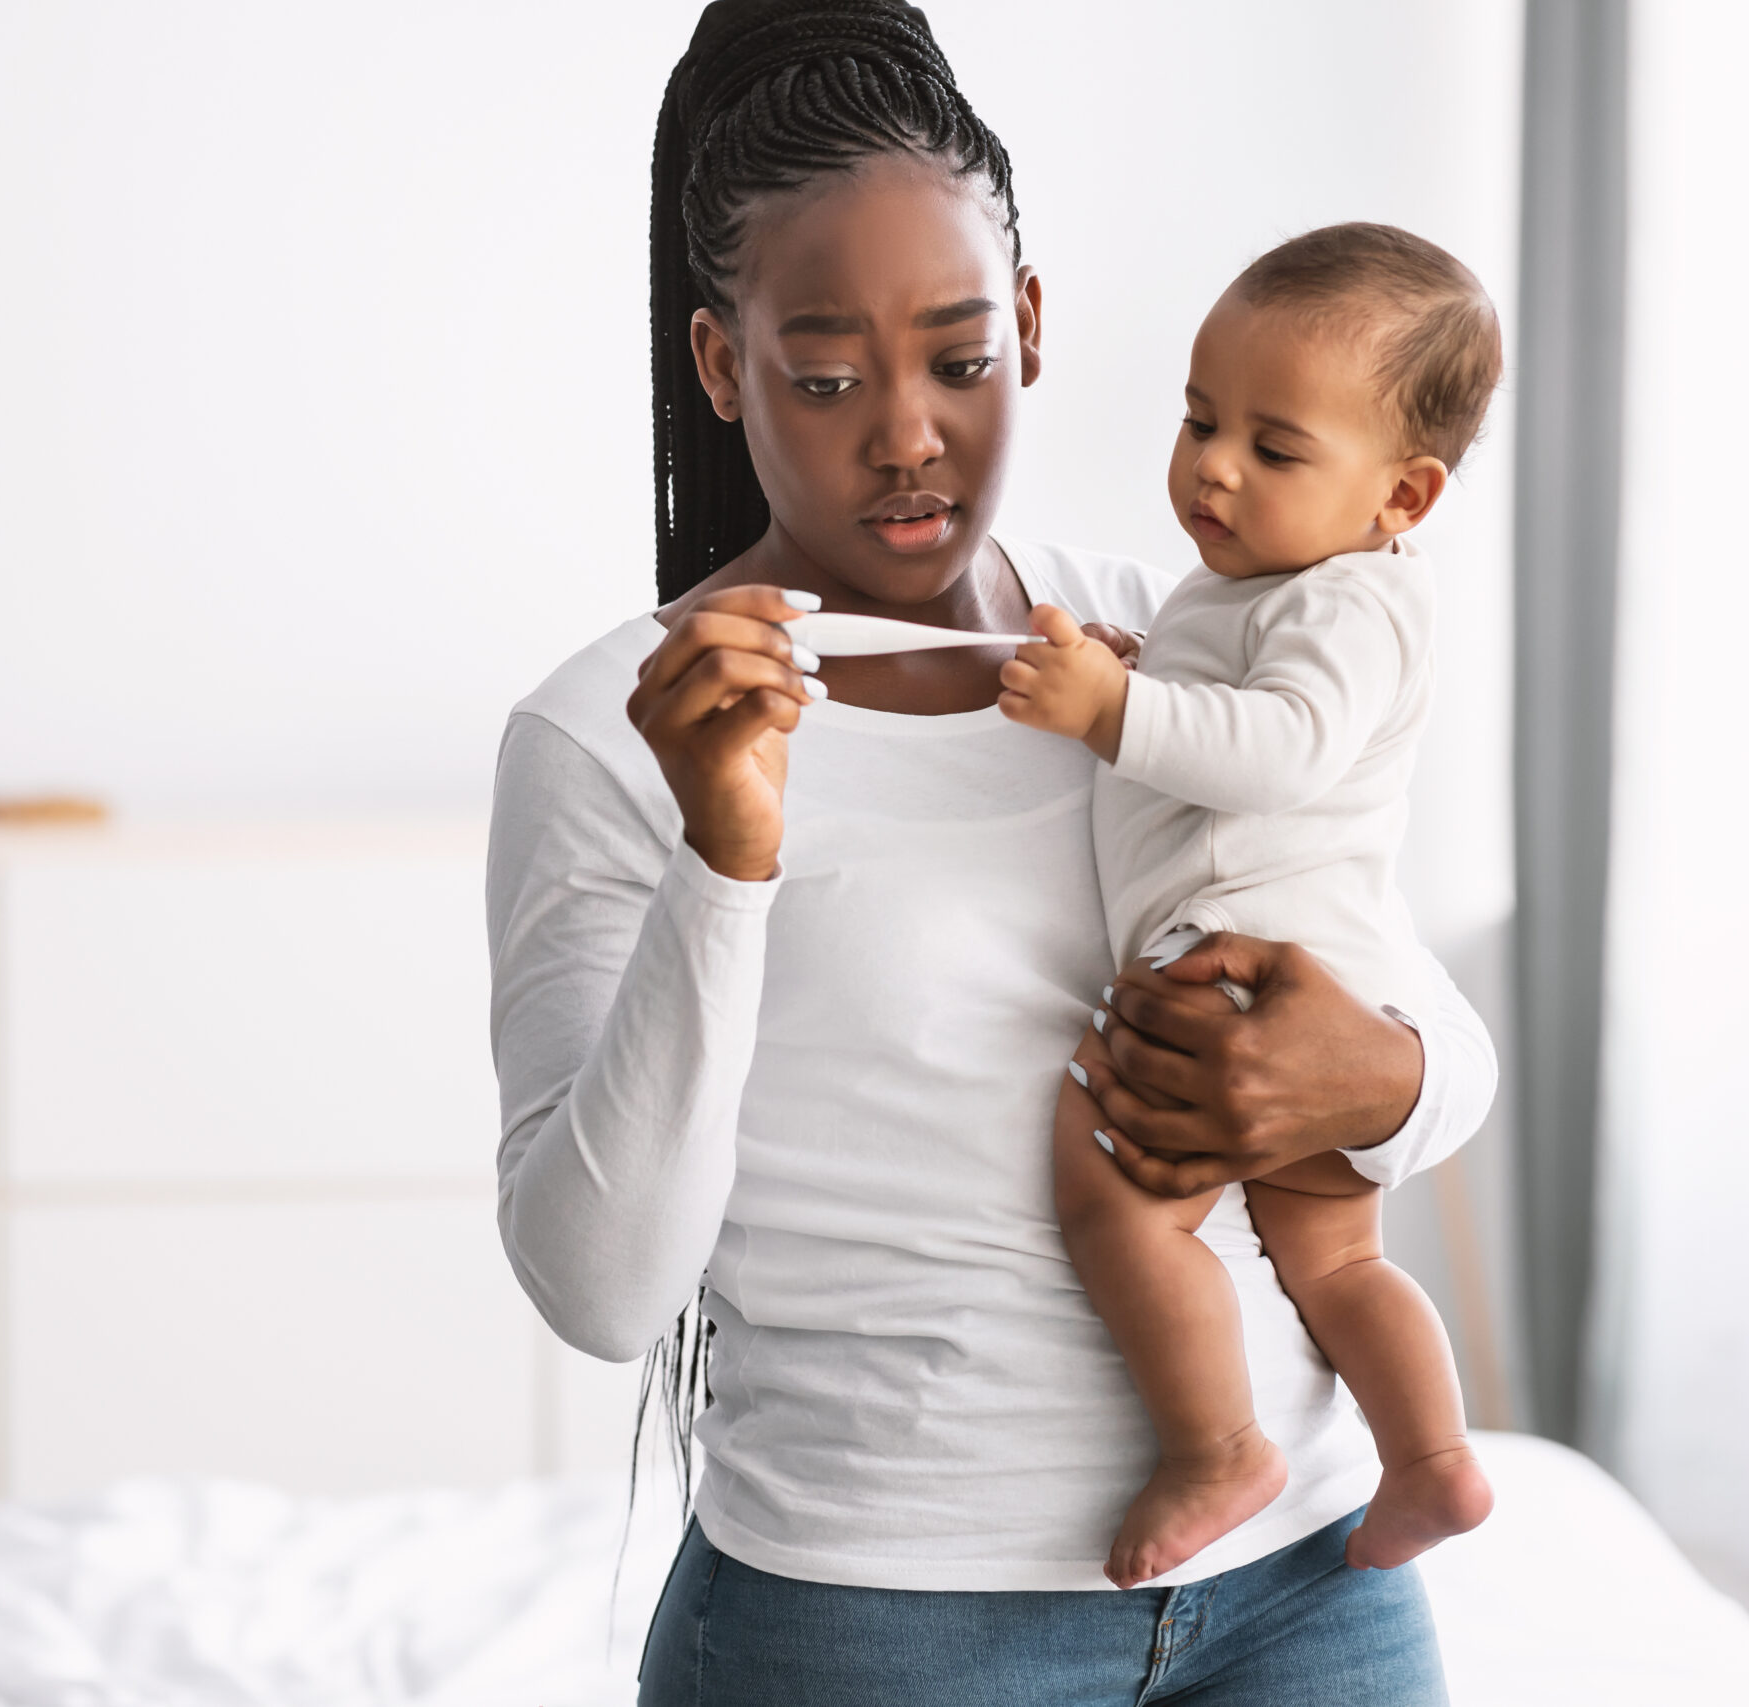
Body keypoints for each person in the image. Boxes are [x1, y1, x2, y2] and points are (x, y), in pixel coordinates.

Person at [486, 3, 1494, 1700]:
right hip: (884, 1621)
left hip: (1311, 1580)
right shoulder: (614, 733)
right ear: (723, 367)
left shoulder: (1177, 638)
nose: (906, 434)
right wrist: (725, 865)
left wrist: (1372, 1084)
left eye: (960, 358)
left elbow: (1422, 1029)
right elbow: (600, 1288)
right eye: (824, 376)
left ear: (1028, 325)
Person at [998, 224, 1504, 1589]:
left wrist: (1115, 709)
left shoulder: (1353, 606)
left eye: (1274, 450)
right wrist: (1137, 664)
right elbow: (1221, 713)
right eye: (1198, 418)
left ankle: (1216, 1443)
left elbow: (1273, 750)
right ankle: (1433, 1457)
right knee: (1336, 1265)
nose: (1213, 465)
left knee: (1111, 1198)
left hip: (1235, 975)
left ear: (1403, 498)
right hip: (1309, 977)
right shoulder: (1257, 588)